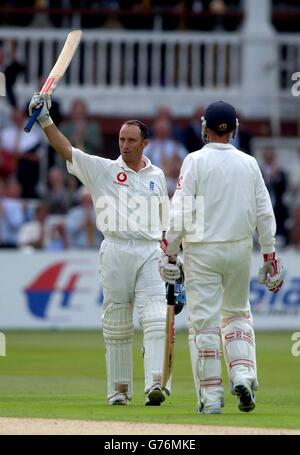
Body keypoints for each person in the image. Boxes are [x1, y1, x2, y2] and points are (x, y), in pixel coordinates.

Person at [28, 93, 170, 407]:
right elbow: (66, 148)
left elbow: (165, 220)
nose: (125, 145)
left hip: (149, 251)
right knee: (117, 322)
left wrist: (172, 255)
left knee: (156, 318)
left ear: (145, 143)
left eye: (132, 140)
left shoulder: (157, 176)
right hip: (116, 249)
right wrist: (44, 120)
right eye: (121, 139)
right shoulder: (103, 169)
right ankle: (119, 390)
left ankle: (155, 385)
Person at [159, 101, 284, 414]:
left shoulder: (195, 161)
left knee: (205, 323)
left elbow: (181, 211)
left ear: (205, 129)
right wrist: (270, 255)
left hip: (202, 250)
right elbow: (264, 213)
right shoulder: (249, 163)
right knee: (237, 314)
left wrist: (169, 251)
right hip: (239, 249)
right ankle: (242, 373)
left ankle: (212, 397)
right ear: (235, 128)